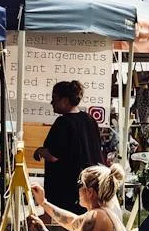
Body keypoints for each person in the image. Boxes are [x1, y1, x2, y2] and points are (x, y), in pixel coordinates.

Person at [34, 80, 102, 214]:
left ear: (65, 100)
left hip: (67, 185)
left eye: (54, 98)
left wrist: (40, 151)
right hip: (91, 180)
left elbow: (53, 155)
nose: (51, 102)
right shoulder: (89, 120)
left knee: (71, 222)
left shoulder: (63, 123)